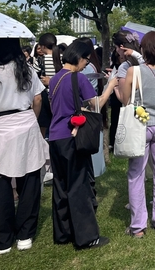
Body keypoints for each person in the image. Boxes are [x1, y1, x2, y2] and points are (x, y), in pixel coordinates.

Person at [47, 40, 119, 249]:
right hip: (72, 137)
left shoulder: (55, 78)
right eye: (86, 60)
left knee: (61, 185)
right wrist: (111, 86)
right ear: (79, 58)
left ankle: (63, 233)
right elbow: (96, 105)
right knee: (79, 186)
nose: (86, 63)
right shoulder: (78, 78)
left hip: (55, 136)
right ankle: (87, 237)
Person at [0, 38, 47, 254]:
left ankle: (2, 239)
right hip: (25, 122)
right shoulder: (26, 69)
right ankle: (25, 234)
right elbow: (37, 99)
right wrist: (31, 119)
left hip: (0, 127)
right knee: (29, 179)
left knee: (0, 180)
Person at [120, 31, 155, 237]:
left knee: (136, 174)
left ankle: (138, 226)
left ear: (144, 49)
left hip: (140, 126)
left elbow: (126, 101)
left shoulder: (133, 72)